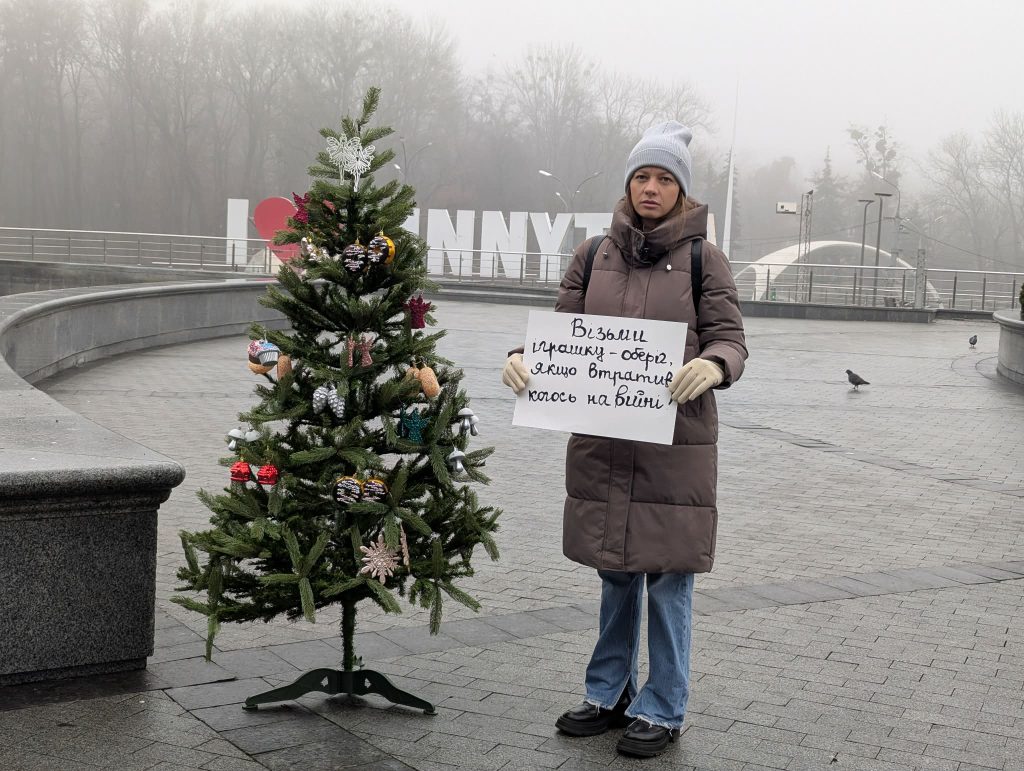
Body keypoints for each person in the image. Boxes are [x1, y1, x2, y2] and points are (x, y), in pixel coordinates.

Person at [501, 121, 747, 758]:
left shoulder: (703, 258)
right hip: (606, 442)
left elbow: (730, 337)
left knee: (668, 578)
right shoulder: (592, 255)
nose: (651, 188)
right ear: (628, 183)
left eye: (665, 179)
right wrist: (524, 359)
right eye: (642, 176)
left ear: (682, 191)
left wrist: (715, 365)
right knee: (615, 571)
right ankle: (608, 692)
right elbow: (562, 333)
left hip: (675, 445)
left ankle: (663, 707)